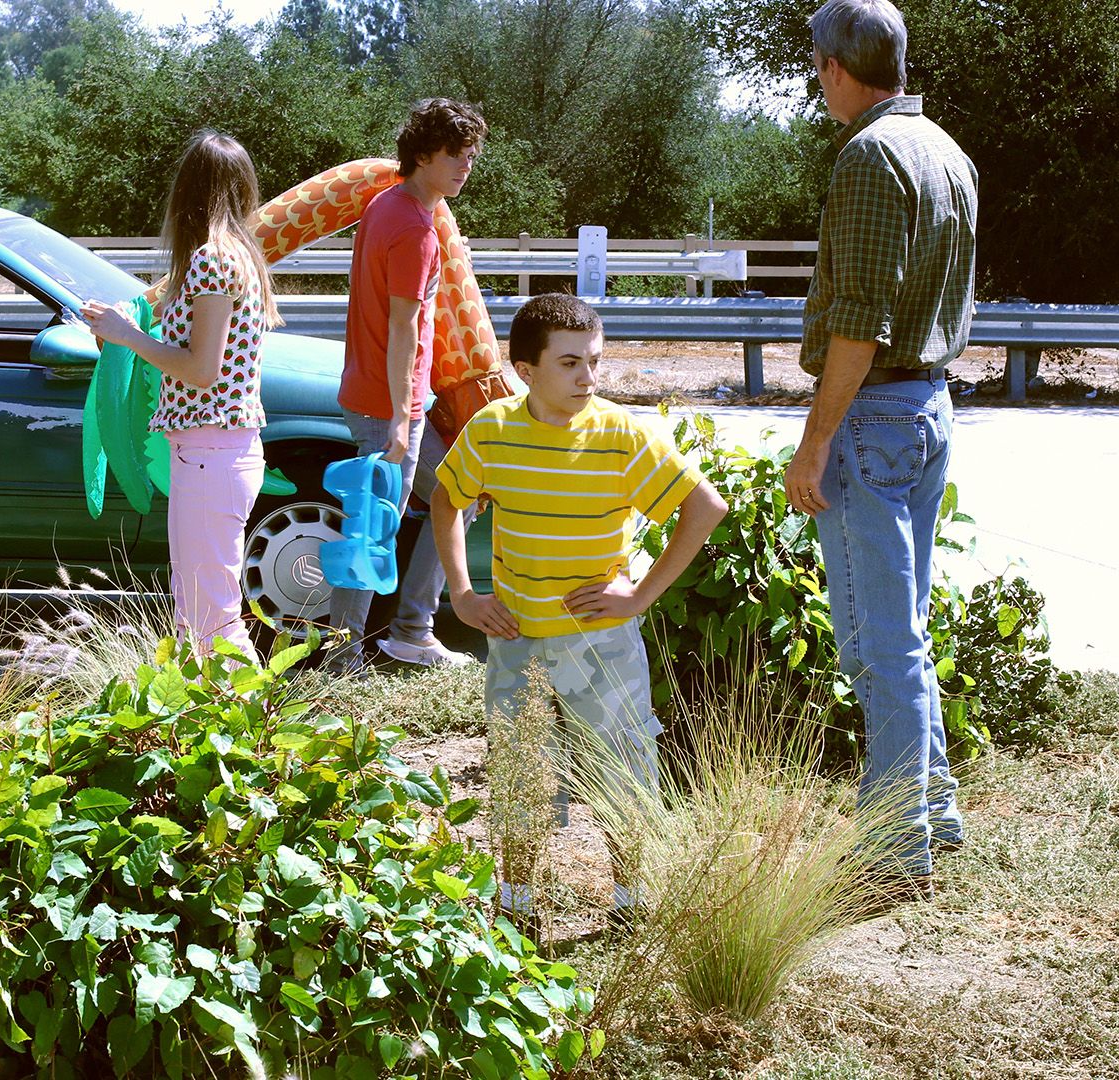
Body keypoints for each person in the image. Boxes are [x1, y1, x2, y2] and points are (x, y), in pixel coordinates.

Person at [431, 293, 727, 903]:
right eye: (569, 363)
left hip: (600, 641)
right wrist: (462, 592)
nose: (588, 376)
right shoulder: (492, 432)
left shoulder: (621, 435)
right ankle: (517, 902)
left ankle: (630, 901)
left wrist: (639, 597)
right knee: (519, 774)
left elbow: (705, 507)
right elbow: (445, 500)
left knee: (624, 767)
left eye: (594, 360)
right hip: (516, 639)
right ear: (526, 370)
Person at [785, 0, 979, 899]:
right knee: (905, 631)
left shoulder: (869, 156)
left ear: (833, 66)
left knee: (875, 640)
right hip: (930, 406)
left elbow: (858, 323)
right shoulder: (945, 150)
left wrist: (813, 445)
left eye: (816, 65)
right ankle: (930, 809)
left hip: (874, 414)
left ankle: (895, 841)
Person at [83, 130, 278, 660]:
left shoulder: (212, 260)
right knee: (198, 606)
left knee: (211, 614)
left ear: (189, 191)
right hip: (215, 451)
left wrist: (129, 337)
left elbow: (200, 369)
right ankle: (217, 728)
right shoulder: (238, 255)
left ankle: (251, 730)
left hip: (211, 452)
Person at [325, 98, 489, 671]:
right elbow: (402, 324)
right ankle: (342, 656)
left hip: (376, 395)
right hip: (389, 405)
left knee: (458, 493)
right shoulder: (416, 229)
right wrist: (401, 416)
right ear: (423, 155)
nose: (467, 166)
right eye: (456, 156)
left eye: (472, 156)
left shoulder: (386, 206)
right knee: (374, 525)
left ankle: (412, 629)